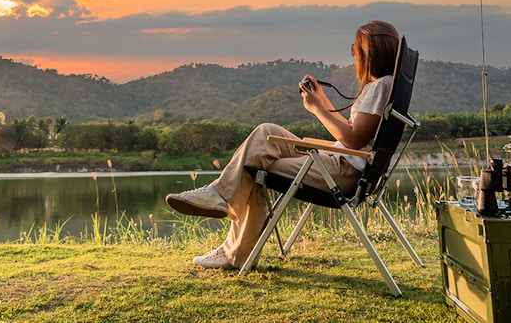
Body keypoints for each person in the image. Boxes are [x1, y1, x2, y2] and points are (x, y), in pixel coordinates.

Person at [164, 20, 401, 270]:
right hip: (339, 161)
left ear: (369, 54)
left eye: (356, 51)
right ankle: (219, 199)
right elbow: (354, 134)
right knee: (266, 133)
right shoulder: (387, 84)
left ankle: (232, 245)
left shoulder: (380, 86)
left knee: (256, 165)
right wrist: (321, 99)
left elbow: (353, 139)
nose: (354, 57)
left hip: (342, 170)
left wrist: (317, 109)